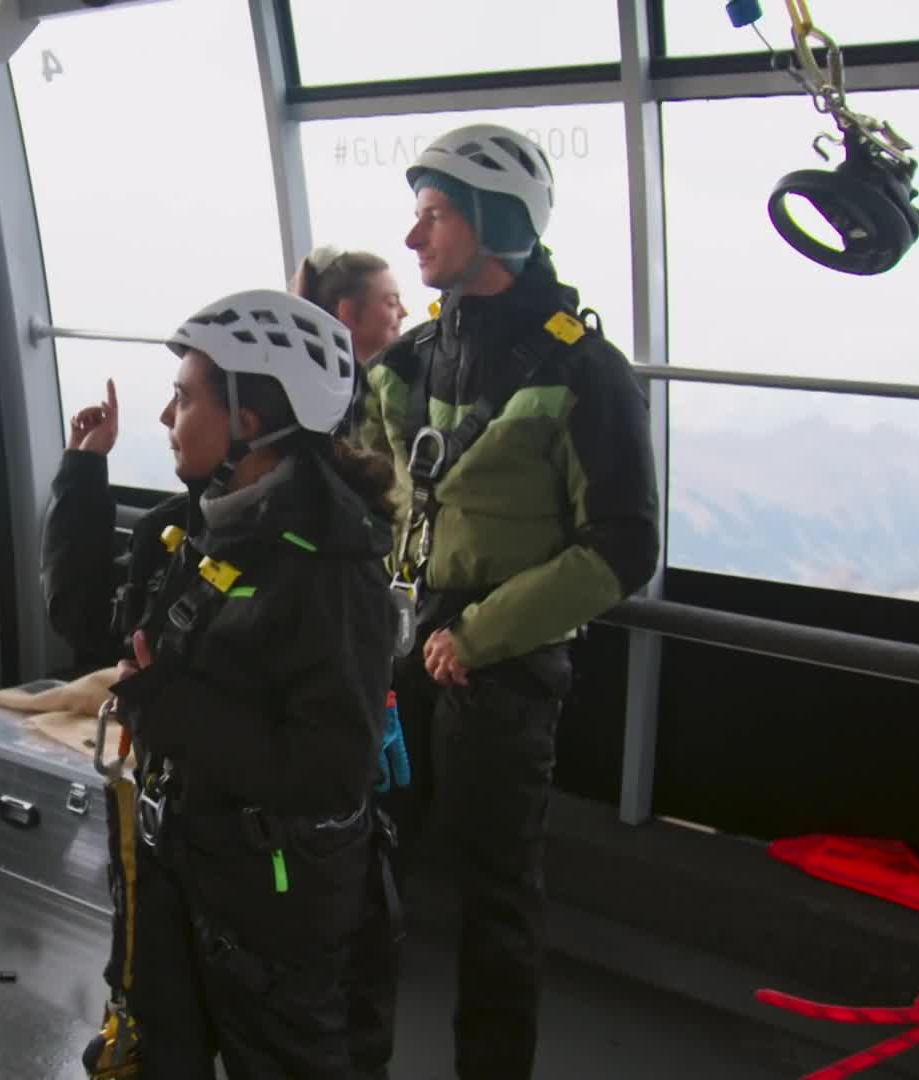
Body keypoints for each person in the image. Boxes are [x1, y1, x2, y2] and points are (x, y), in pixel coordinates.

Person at [357, 124, 660, 1079]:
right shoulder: (407, 362)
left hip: (502, 667)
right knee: (361, 861)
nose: (413, 238)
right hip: (400, 651)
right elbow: (369, 498)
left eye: (435, 216)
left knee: (495, 897)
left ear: (497, 224)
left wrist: (478, 636)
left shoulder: (584, 372)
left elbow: (624, 544)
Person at [42, 288, 401, 1078]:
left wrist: (166, 705)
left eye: (184, 398)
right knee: (162, 1050)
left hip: (273, 895)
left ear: (250, 419)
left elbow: (328, 771)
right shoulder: (189, 528)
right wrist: (83, 472)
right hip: (172, 862)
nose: (167, 417)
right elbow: (88, 621)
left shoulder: (332, 574)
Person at [293, 245, 408, 438]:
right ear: (348, 313)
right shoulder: (351, 407)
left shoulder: (315, 395)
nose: (404, 312)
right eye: (392, 303)